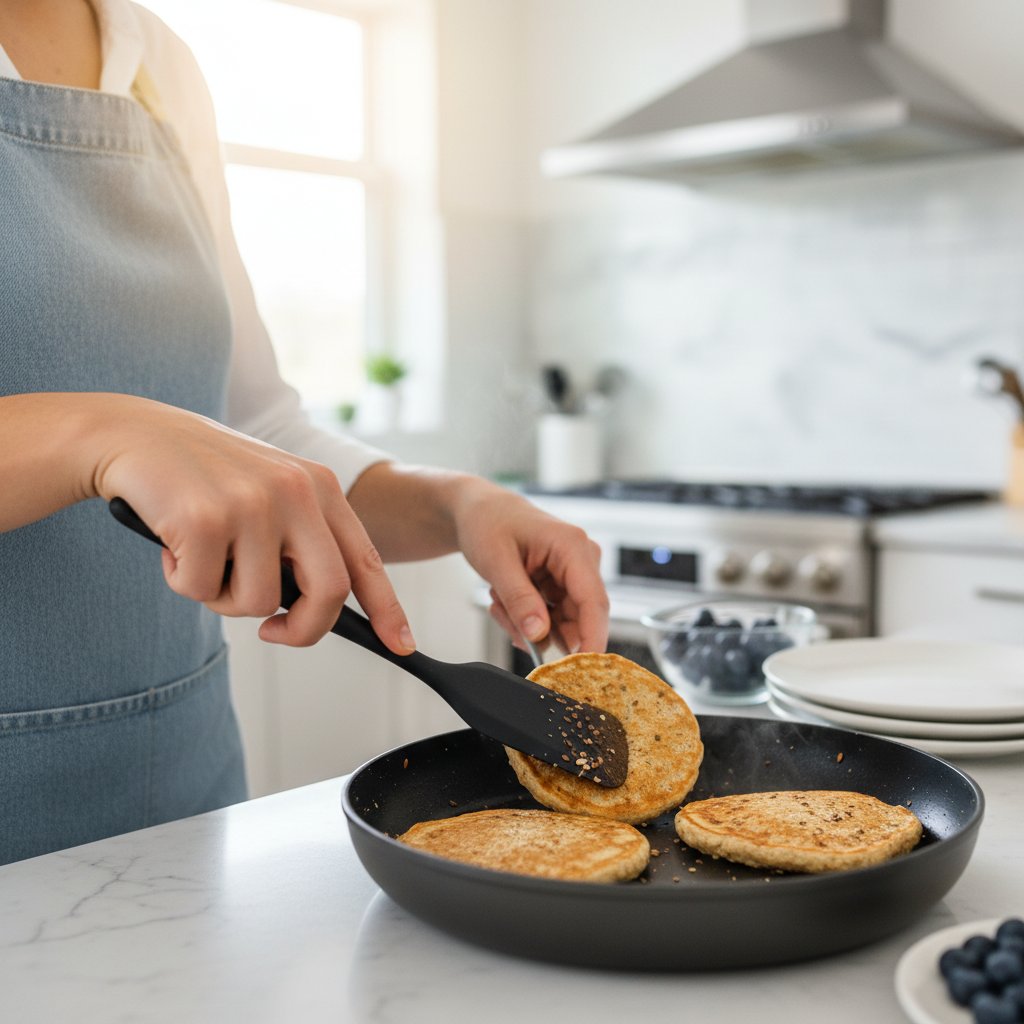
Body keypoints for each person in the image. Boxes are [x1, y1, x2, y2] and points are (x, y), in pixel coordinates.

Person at [0, 0, 608, 864]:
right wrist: (88, 434)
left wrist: (458, 505)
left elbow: (254, 426)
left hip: (176, 788)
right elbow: (150, 435)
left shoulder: (159, 64)